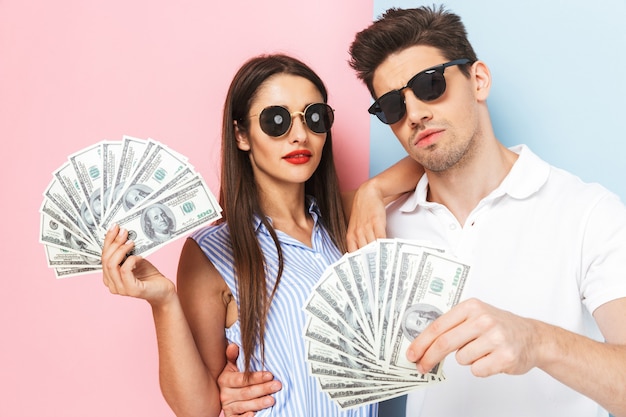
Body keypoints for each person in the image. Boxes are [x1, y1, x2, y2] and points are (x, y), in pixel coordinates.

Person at [216, 5, 626, 417]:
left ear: (478, 80)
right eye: (393, 106)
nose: (414, 114)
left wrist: (537, 341)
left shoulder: (587, 213)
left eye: (431, 85)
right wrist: (235, 388)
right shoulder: (376, 231)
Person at [101, 53, 417, 417]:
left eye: (315, 117)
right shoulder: (212, 252)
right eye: (276, 120)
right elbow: (197, 409)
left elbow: (433, 158)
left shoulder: (344, 219)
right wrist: (163, 301)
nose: (300, 135)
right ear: (241, 135)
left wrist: (373, 191)